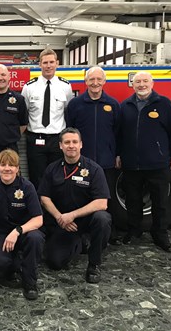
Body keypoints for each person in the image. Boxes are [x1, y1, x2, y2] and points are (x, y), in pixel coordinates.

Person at [116, 71, 171, 252]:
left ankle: (160, 235)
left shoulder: (164, 104)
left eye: (145, 81)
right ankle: (134, 231)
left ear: (152, 83)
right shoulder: (126, 106)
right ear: (132, 85)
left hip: (157, 164)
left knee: (160, 202)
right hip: (131, 164)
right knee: (133, 200)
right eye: (137, 82)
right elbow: (119, 134)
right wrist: (118, 154)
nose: (141, 85)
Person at [38, 128, 111, 283]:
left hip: (85, 220)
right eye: (67, 142)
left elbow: (102, 202)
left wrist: (73, 215)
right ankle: (81, 243)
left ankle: (94, 264)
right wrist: (60, 217)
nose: (71, 145)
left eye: (74, 142)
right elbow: (44, 197)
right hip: (62, 222)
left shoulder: (94, 169)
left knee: (102, 218)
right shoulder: (52, 169)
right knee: (54, 262)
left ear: (81, 144)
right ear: (60, 146)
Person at [0, 149, 44, 300]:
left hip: (24, 231)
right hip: (1, 232)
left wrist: (17, 231)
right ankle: (15, 264)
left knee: (36, 238)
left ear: (17, 168)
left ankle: (30, 283)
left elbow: (38, 219)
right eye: (3, 164)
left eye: (11, 165)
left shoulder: (27, 187)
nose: (7, 168)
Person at [66, 66, 121, 244]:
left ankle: (109, 233)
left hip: (106, 161)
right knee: (80, 196)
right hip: (82, 163)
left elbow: (118, 132)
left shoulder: (113, 105)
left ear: (104, 82)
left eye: (99, 79)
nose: (95, 83)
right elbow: (70, 131)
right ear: (86, 82)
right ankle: (82, 232)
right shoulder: (75, 105)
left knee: (107, 197)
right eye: (91, 79)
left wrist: (117, 154)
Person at [22, 48, 74, 188]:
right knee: (37, 178)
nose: (48, 65)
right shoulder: (29, 87)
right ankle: (38, 209)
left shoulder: (66, 86)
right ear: (40, 64)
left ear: (57, 63)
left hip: (57, 139)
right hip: (35, 139)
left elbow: (67, 110)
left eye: (52, 62)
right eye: (45, 62)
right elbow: (24, 113)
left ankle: (55, 209)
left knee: (58, 177)